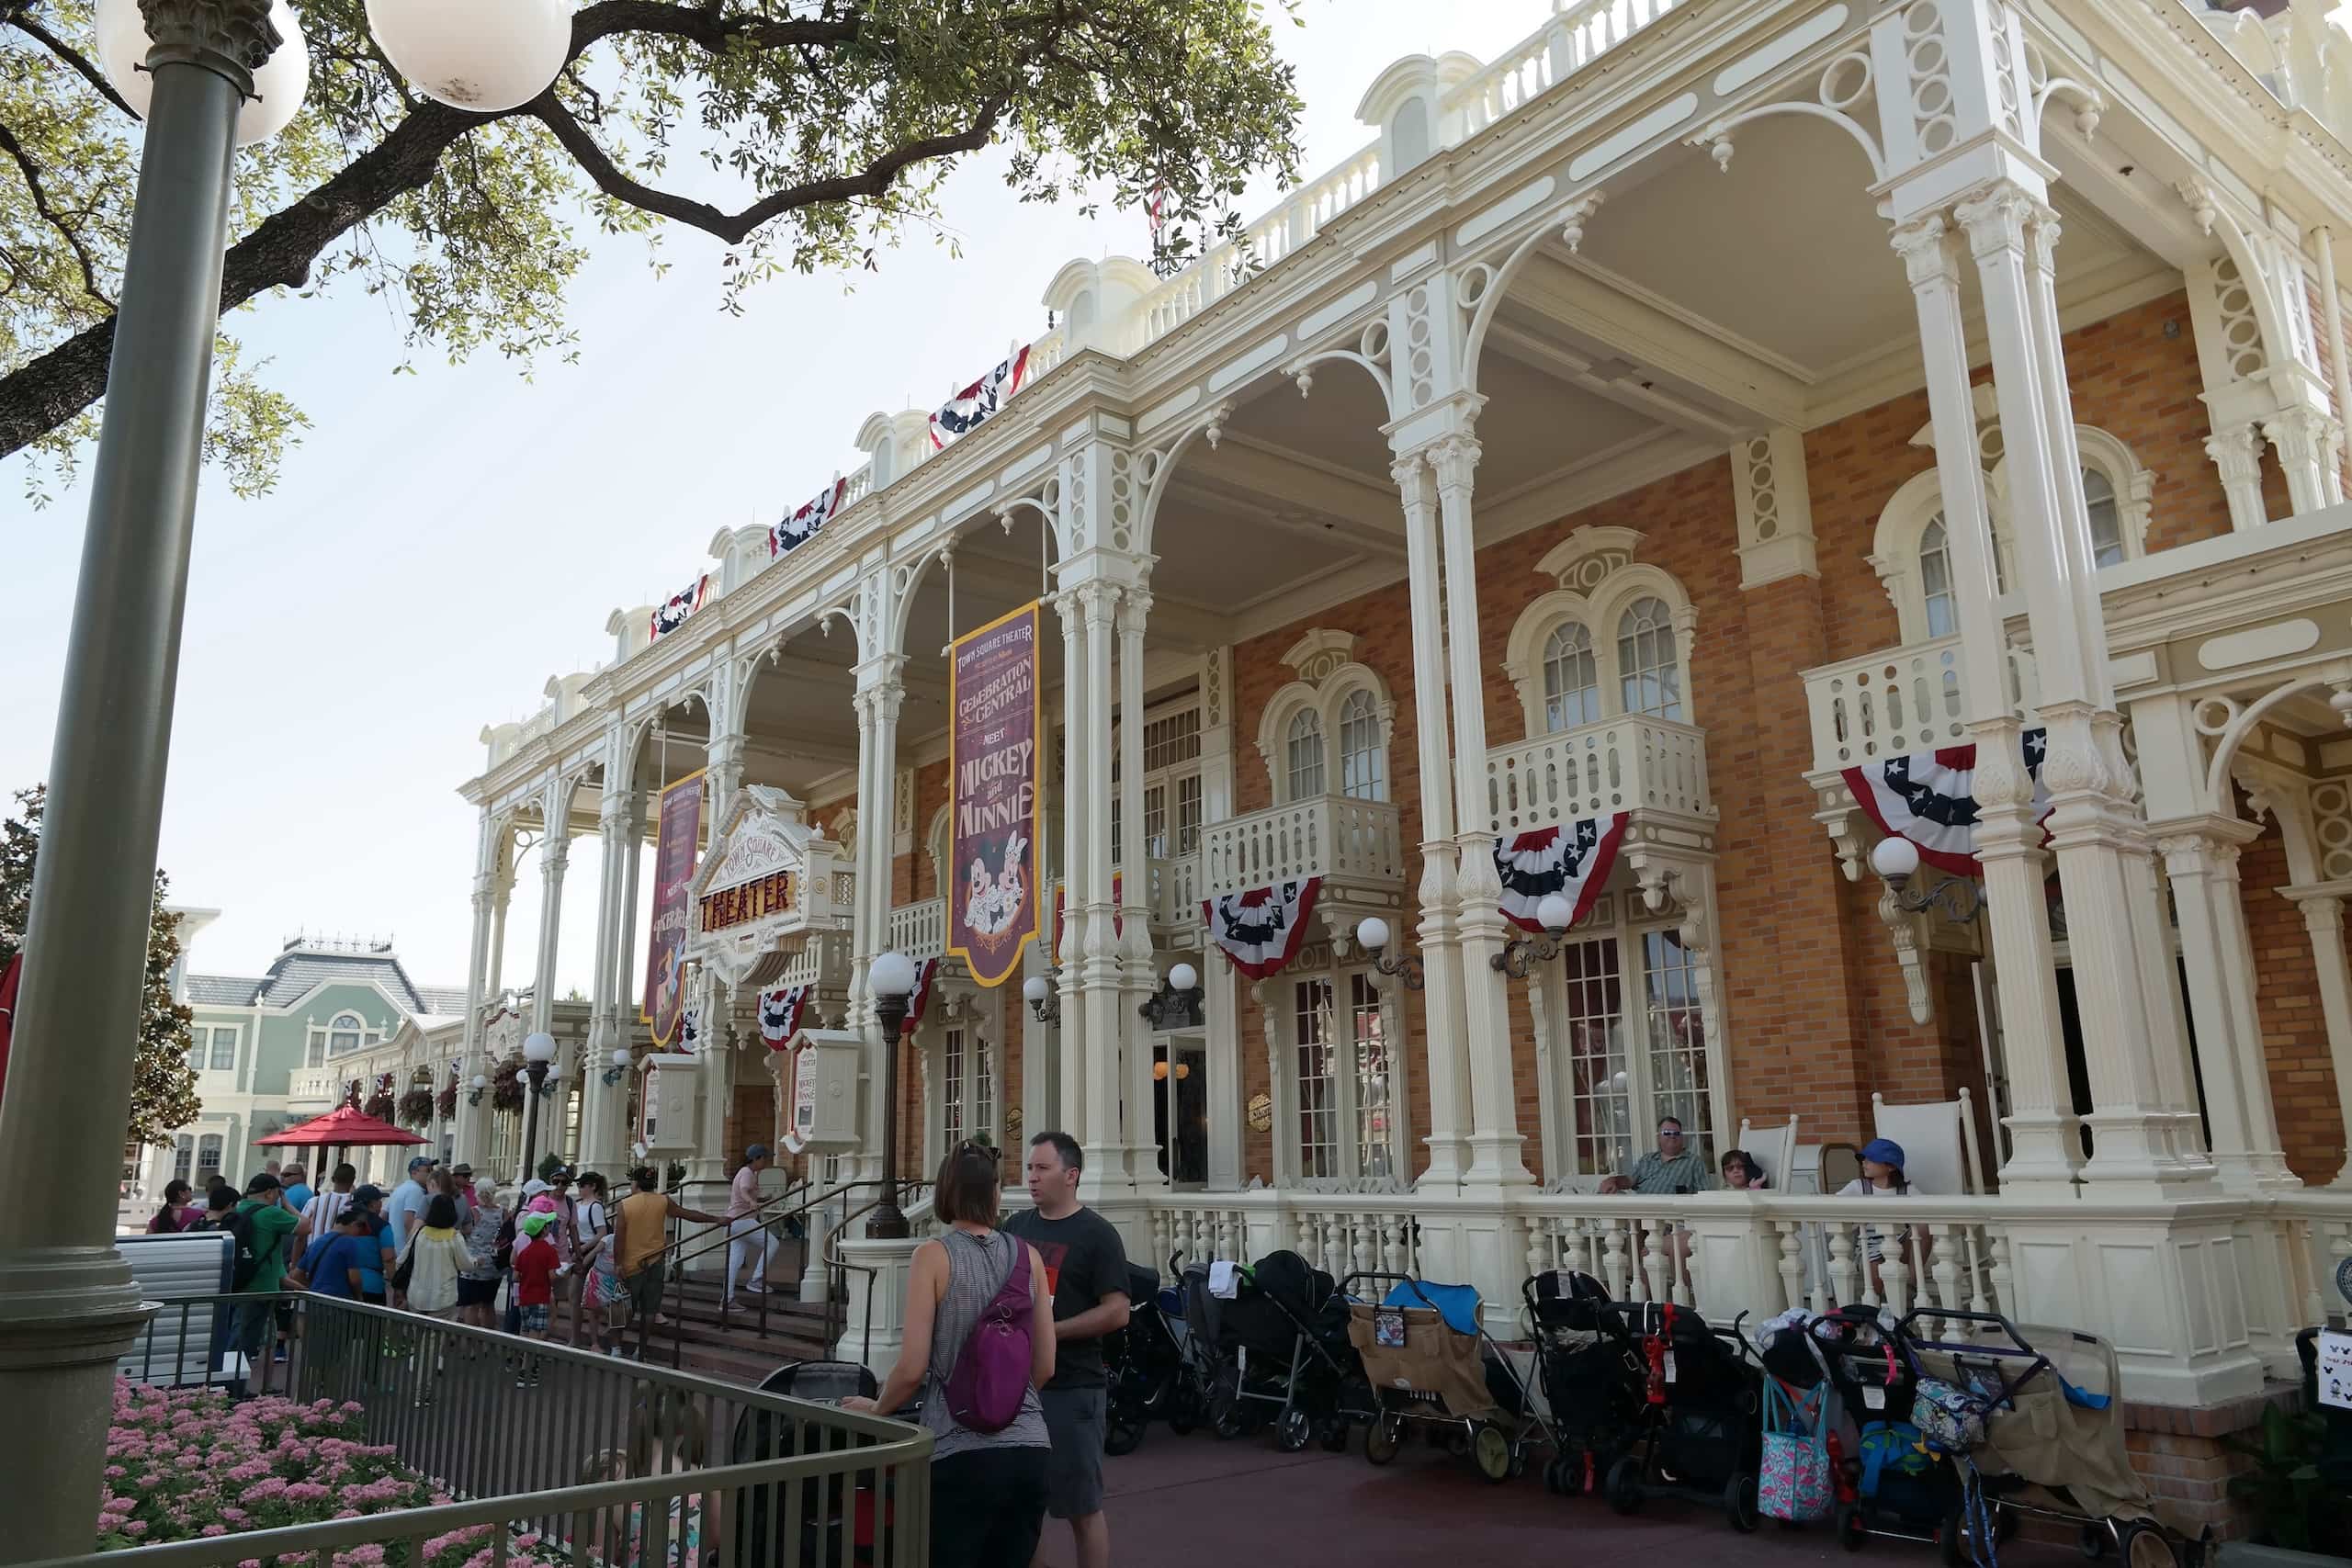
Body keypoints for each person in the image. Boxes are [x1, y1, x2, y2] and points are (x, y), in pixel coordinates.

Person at [843, 1142, 1054, 1568]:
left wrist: (878, 1408)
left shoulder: (933, 1257)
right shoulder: (1028, 1257)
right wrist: (1005, 1397)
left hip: (960, 1449)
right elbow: (1045, 1365)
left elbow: (911, 1367)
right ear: (995, 1192)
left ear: (945, 1191)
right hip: (1030, 1444)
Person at [1001, 1133, 1128, 1568]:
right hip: (1016, 1389)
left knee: (1081, 1507)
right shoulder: (1015, 1228)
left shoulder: (1097, 1234)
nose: (1031, 1178)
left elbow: (1117, 1312)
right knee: (1024, 1506)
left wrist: (1052, 1331)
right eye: (1030, 1168)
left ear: (1071, 1175)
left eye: (1042, 1168)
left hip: (1073, 1389)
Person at [615, 1165, 723, 1336]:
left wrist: (618, 1264)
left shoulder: (624, 1205)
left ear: (635, 1183)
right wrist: (716, 1218)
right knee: (650, 1311)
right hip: (656, 1262)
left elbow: (619, 1238)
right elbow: (688, 1214)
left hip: (631, 1265)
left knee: (621, 1306)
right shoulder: (663, 1200)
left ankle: (616, 1349)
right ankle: (641, 1351)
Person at [230, 1173, 300, 1373]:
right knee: (244, 1339)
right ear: (270, 1193)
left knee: (245, 1333)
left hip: (240, 1282)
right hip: (262, 1286)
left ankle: (239, 1386)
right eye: (278, 1194)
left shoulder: (239, 1208)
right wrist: (287, 1205)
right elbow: (305, 1226)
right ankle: (233, 1387)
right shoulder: (270, 1213)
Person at [1836, 1137, 1923, 1295]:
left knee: (1923, 1227)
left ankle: (1913, 1280)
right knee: (1874, 1274)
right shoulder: (1858, 1187)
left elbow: (1929, 1210)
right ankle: (1875, 1311)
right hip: (1870, 1248)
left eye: (1871, 1160)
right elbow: (1832, 1205)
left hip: (1899, 1246)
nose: (1864, 1163)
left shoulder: (1907, 1191)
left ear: (1890, 1166)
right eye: (1864, 1159)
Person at [399, 1193, 474, 1320]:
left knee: (417, 1334)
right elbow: (466, 1265)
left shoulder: (419, 1233)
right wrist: (476, 1262)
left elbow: (401, 1260)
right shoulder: (455, 1237)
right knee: (437, 1337)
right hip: (443, 1298)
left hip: (416, 1296)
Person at [1599, 1115, 1715, 1195]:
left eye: (1676, 1133)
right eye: (1667, 1133)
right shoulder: (1648, 1159)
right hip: (1641, 1216)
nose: (1672, 1136)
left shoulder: (1694, 1162)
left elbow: (1705, 1195)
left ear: (1682, 1136)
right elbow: (1629, 1180)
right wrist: (1614, 1180)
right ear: (1659, 1137)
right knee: (1610, 1194)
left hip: (1671, 1222)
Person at [724, 1145, 781, 1305]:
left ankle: (727, 1299)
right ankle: (756, 1279)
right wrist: (751, 1201)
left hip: (733, 1221)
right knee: (772, 1243)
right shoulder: (747, 1173)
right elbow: (743, 1191)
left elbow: (744, 1195)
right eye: (764, 1158)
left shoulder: (747, 1173)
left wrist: (763, 1200)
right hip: (742, 1220)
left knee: (734, 1261)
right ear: (756, 1158)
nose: (766, 1162)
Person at [511, 1210, 561, 1386]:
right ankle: (527, 1368)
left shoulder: (524, 1252)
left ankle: (526, 1363)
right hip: (541, 1296)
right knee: (535, 1332)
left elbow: (515, 1276)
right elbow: (552, 1276)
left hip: (525, 1296)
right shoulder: (548, 1251)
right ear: (545, 1230)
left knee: (525, 1331)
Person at [457, 1179, 507, 1329]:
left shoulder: (473, 1212)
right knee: (488, 1305)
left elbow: (461, 1233)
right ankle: (487, 1343)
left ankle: (471, 1343)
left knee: (472, 1306)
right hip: (494, 1266)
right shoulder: (503, 1213)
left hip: (473, 1265)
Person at [384, 1156, 437, 1297]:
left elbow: (383, 1215)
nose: (431, 1173)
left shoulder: (399, 1189)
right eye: (428, 1170)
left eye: (432, 1169)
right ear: (414, 1172)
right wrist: (414, 1249)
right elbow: (410, 1221)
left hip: (395, 1248)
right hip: (405, 1251)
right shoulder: (416, 1191)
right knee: (407, 1296)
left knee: (398, 1293)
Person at [294, 1162, 357, 1252]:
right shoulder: (355, 1204)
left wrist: (294, 1263)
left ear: (332, 1179)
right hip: (341, 1257)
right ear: (353, 1180)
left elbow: (300, 1235)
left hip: (313, 1255)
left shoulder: (313, 1201)